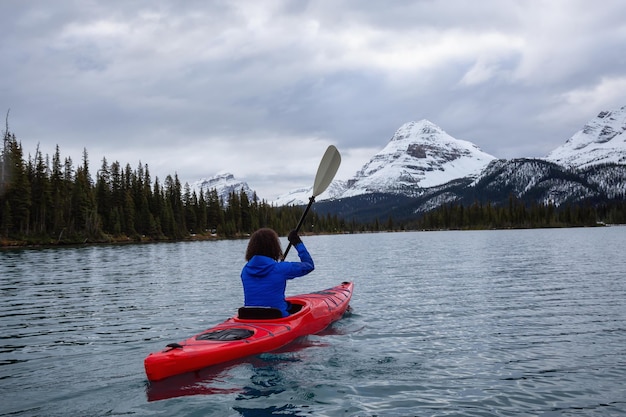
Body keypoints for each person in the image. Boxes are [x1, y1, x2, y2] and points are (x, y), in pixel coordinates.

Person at [241, 228, 314, 317]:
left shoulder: (245, 270)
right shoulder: (281, 268)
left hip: (249, 316)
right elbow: (309, 265)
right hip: (276, 317)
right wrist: (297, 243)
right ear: (274, 247)